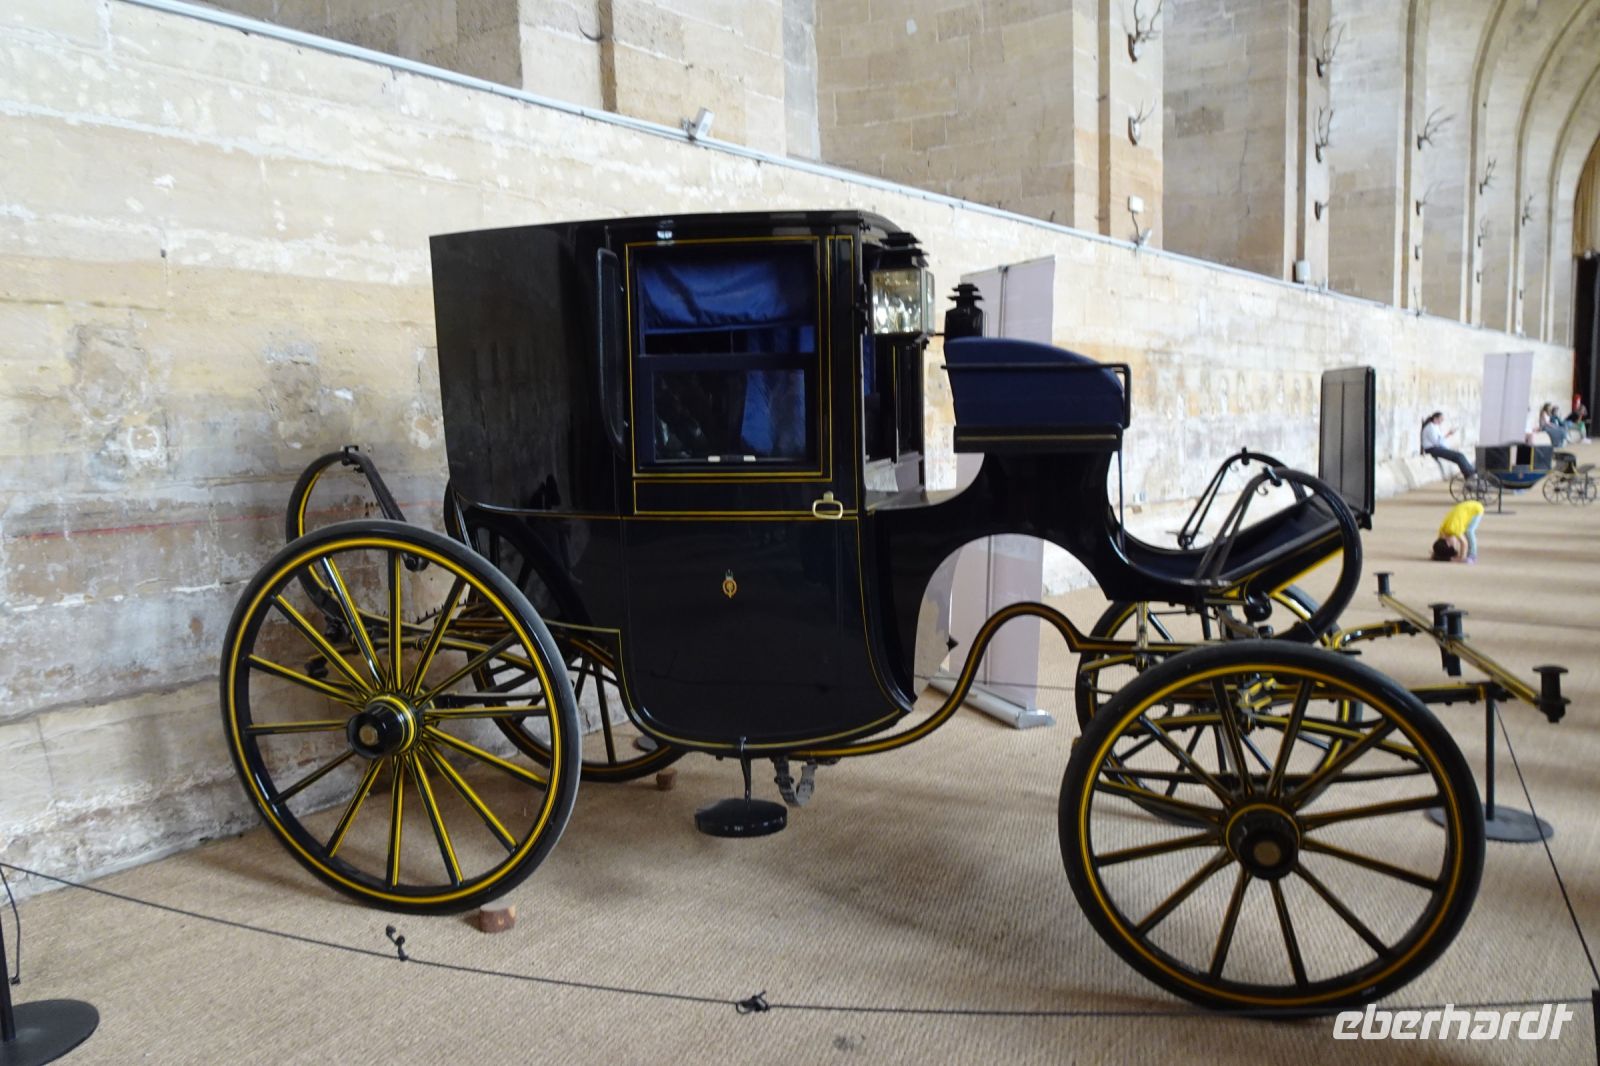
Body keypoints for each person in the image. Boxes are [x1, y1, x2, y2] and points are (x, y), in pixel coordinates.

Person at [1420, 411, 1475, 477]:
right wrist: (1448, 434)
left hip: (1437, 448)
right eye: (1441, 419)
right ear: (1435, 419)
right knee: (1458, 456)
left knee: (1460, 455)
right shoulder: (1430, 428)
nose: (1442, 421)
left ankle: (1470, 471)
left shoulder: (1435, 426)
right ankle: (1469, 474)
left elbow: (1440, 440)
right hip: (1432, 449)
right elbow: (1437, 442)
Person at [1431, 499, 1484, 564]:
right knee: (1465, 531)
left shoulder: (1453, 529)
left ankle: (1472, 556)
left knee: (1469, 531)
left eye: (1452, 545)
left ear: (1448, 542)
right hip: (1466, 507)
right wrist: (1436, 554)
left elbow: (1464, 543)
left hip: (1475, 509)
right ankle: (1470, 555)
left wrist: (1461, 558)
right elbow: (1439, 546)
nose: (1454, 544)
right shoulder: (1442, 532)